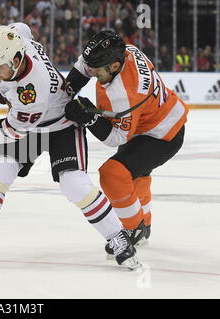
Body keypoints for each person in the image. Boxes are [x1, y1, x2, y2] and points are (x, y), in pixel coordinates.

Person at [0, 24, 140, 270]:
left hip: (62, 126)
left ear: (16, 61)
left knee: (74, 184)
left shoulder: (33, 91)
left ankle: (117, 236)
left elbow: (14, 129)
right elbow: (21, 28)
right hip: (31, 125)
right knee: (0, 170)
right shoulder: (19, 43)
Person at [63, 31, 188, 258]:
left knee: (114, 175)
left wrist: (90, 116)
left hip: (163, 134)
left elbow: (117, 138)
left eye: (96, 70)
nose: (91, 74)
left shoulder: (125, 94)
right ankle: (144, 223)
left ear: (114, 66)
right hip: (154, 120)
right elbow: (84, 66)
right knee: (135, 174)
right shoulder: (124, 51)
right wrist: (62, 95)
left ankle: (134, 228)